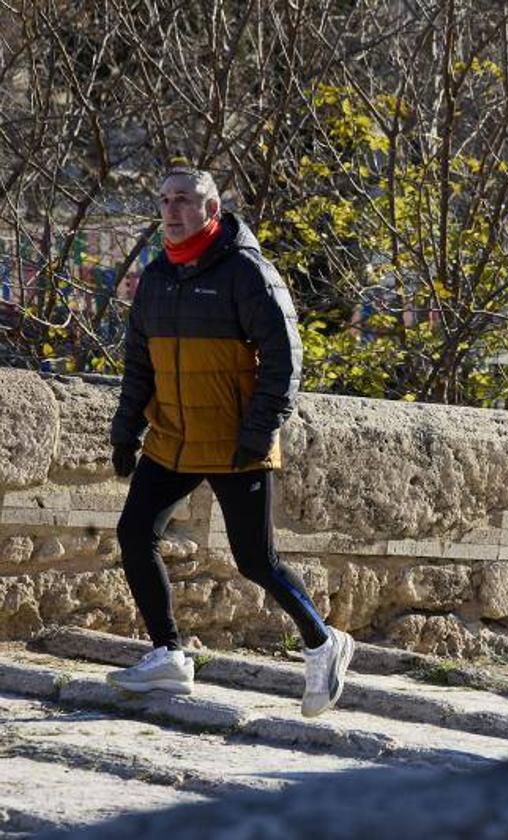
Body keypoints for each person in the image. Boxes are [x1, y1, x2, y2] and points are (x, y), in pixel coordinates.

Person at [107, 165, 354, 716]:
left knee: (255, 559)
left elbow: (285, 359)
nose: (171, 211)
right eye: (165, 200)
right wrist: (127, 432)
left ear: (212, 210)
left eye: (185, 201)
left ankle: (322, 642)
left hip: (235, 436)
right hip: (171, 436)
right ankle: (169, 655)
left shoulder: (247, 272)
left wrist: (261, 429)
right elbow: (138, 363)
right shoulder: (156, 277)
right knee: (134, 533)